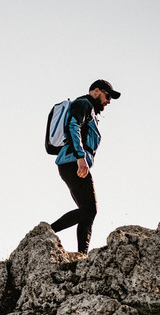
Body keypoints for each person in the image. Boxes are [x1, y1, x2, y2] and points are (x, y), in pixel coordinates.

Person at [49, 79, 121, 253]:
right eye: (107, 95)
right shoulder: (84, 104)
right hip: (72, 161)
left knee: (88, 211)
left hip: (72, 162)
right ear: (95, 91)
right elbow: (73, 126)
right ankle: (48, 231)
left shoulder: (91, 110)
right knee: (90, 209)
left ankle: (82, 254)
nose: (109, 101)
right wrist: (80, 157)